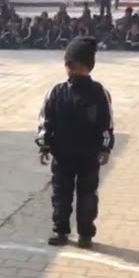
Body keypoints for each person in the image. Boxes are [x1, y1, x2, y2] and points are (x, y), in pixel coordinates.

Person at [36, 37, 114, 248]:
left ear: (88, 66)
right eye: (69, 64)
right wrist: (44, 144)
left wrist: (105, 147)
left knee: (87, 195)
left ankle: (86, 233)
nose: (73, 69)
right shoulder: (57, 92)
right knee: (61, 194)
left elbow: (106, 124)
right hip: (63, 155)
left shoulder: (99, 93)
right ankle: (60, 229)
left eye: (78, 64)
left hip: (89, 156)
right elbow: (46, 120)